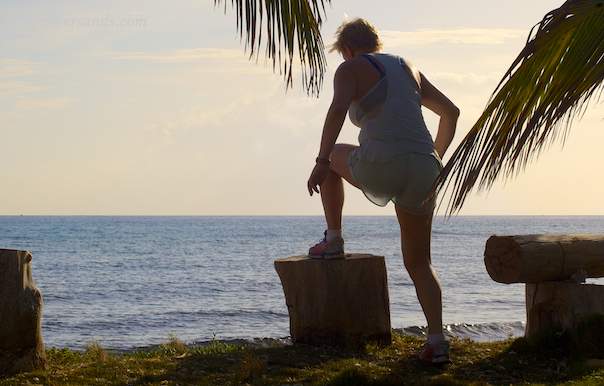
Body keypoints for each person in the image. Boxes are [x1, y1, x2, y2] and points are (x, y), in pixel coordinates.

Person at [306, 18, 459, 364]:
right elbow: (451, 112)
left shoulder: (350, 68)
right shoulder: (408, 68)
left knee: (331, 160)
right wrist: (433, 156)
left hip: (382, 162)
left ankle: (333, 240)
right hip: (425, 168)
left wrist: (320, 159)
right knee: (420, 262)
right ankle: (437, 343)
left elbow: (336, 111)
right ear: (376, 42)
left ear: (347, 49)